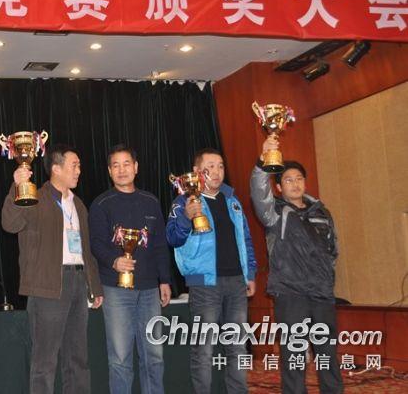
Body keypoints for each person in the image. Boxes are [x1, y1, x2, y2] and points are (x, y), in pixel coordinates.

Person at [2, 143, 104, 394]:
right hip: (47, 285)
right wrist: (17, 186)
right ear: (56, 169)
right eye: (74, 165)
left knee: (78, 358)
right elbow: (10, 223)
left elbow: (85, 249)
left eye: (79, 165)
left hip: (79, 282)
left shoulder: (78, 204)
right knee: (45, 361)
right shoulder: (34, 196)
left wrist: (94, 285)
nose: (79, 170)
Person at [250, 136, 343, 394]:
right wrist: (262, 162)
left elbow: (333, 249)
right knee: (294, 356)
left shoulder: (322, 212)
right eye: (288, 180)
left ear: (305, 182)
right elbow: (258, 192)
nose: (295, 184)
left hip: (322, 293)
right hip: (291, 294)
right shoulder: (274, 213)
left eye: (299, 179)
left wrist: (326, 277)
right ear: (279, 187)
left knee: (327, 354)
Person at [166, 148, 257, 394]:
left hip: (236, 282)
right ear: (197, 172)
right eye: (210, 167)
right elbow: (172, 238)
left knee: (237, 346)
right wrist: (186, 218)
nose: (217, 172)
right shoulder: (184, 201)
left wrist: (250, 273)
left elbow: (246, 239)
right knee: (204, 349)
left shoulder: (232, 201)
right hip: (204, 283)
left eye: (220, 166)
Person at [89, 144, 171, 394]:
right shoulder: (101, 204)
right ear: (109, 171)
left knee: (154, 356)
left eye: (126, 164)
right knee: (120, 358)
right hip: (115, 290)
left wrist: (165, 280)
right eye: (116, 165)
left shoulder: (151, 202)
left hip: (149, 289)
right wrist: (114, 261)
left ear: (136, 167)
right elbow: (95, 244)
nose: (121, 170)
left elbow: (159, 244)